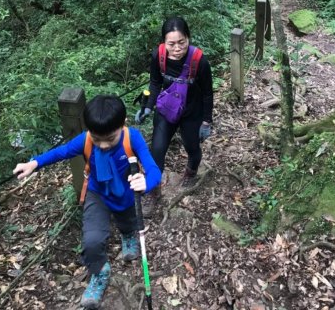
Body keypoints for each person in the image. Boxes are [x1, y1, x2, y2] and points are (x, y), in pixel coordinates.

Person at [13, 95, 161, 309]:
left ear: (123, 123)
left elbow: (154, 169)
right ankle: (99, 272)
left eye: (109, 139)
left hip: (127, 193)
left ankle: (128, 236)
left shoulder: (132, 138)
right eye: (96, 137)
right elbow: (61, 152)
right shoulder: (86, 140)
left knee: (128, 222)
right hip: (97, 194)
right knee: (91, 241)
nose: (102, 144)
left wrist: (146, 182)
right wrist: (34, 163)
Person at [136, 17, 213, 216]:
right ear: (164, 42)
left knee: (192, 146)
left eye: (181, 42)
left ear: (188, 38)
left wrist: (207, 120)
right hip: (166, 108)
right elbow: (154, 82)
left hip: (191, 111)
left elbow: (207, 93)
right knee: (157, 150)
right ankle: (153, 191)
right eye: (171, 44)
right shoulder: (158, 56)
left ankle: (191, 172)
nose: (177, 48)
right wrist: (148, 107)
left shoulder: (199, 61)